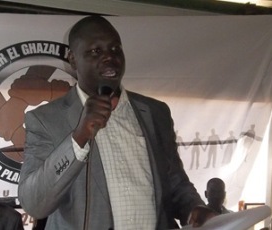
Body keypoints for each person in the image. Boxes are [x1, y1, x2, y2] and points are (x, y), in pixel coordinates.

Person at [18, 15, 212, 229]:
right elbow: (34, 203)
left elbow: (174, 182)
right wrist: (80, 136)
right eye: (95, 51)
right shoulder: (46, 120)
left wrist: (194, 208)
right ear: (73, 60)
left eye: (115, 49)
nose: (109, 58)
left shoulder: (156, 112)